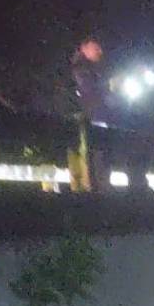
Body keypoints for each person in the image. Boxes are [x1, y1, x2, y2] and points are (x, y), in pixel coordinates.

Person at [68, 37, 108, 191]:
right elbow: (89, 90)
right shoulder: (80, 67)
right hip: (90, 118)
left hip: (93, 117)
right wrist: (108, 87)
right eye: (96, 47)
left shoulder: (88, 67)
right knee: (94, 155)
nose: (100, 51)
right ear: (85, 46)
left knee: (94, 156)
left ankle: (91, 189)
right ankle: (94, 191)